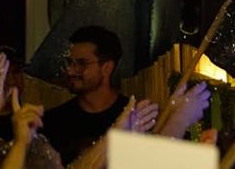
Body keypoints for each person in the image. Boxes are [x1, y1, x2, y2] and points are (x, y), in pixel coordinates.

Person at [41, 26, 158, 164]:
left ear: (106, 67)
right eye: (69, 63)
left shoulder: (134, 117)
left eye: (81, 64)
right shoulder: (52, 122)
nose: (70, 71)